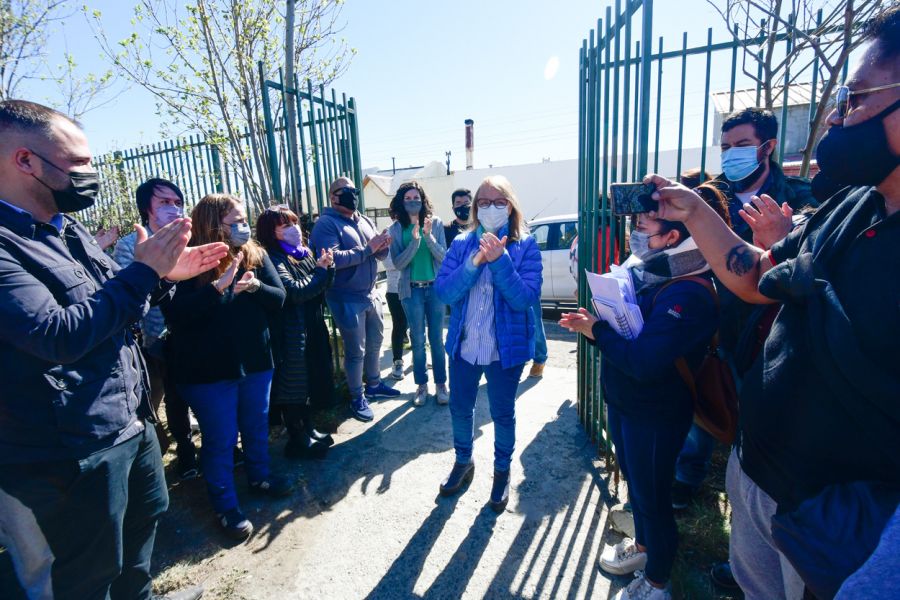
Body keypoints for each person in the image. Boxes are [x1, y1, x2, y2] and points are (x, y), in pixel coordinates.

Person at [642, 7, 900, 597]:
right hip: (757, 470)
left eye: (857, 100)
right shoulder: (850, 206)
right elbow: (758, 274)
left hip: (831, 520)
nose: (838, 118)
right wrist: (695, 210)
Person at [0, 99, 226, 600]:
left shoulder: (69, 229)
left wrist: (163, 279)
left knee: (136, 557)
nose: (91, 173)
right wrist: (145, 271)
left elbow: (118, 305)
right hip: (66, 456)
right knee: (84, 579)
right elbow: (57, 334)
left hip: (129, 424)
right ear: (25, 161)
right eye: (78, 163)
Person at [560, 186, 730, 600]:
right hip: (628, 403)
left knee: (653, 498)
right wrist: (600, 323)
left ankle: (657, 581)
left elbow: (644, 361)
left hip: (655, 413)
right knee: (639, 491)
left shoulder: (688, 290)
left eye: (643, 227)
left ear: (673, 237)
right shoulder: (656, 271)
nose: (634, 234)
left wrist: (595, 330)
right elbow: (636, 338)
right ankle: (644, 549)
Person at [162, 194, 291, 541]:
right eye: (234, 221)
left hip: (255, 363)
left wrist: (256, 286)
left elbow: (279, 300)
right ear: (211, 223)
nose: (242, 226)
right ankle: (225, 506)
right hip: (208, 372)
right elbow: (176, 316)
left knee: (255, 426)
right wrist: (217, 289)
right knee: (220, 439)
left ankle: (259, 476)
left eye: (243, 219)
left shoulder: (255, 253)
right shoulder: (188, 261)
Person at [435, 175, 542, 513]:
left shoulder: (526, 245)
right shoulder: (461, 245)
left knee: (502, 414)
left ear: (511, 205)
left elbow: (524, 298)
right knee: (460, 408)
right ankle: (463, 461)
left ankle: (501, 471)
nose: (491, 207)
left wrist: (499, 260)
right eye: (484, 202)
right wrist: (474, 263)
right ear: (476, 208)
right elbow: (444, 292)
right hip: (465, 348)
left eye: (499, 201)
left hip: (503, 351)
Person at [114, 178, 199, 480]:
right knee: (173, 397)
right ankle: (186, 455)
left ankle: (218, 446)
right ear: (145, 208)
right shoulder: (130, 245)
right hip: (157, 340)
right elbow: (131, 296)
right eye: (164, 202)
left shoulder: (190, 240)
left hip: (194, 332)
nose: (173, 208)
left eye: (177, 202)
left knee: (199, 392)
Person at [309, 177, 400, 423]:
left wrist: (381, 247)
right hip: (345, 297)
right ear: (333, 197)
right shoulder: (325, 225)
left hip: (370, 293)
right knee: (355, 351)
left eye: (354, 190)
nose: (353, 195)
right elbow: (333, 259)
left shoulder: (364, 219)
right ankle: (357, 397)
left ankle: (373, 384)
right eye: (346, 191)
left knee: (374, 343)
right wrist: (368, 249)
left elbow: (374, 253)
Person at [256, 206, 336, 459]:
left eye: (295, 223)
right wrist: (321, 271)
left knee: (307, 382)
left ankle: (309, 429)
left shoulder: (303, 253)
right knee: (293, 386)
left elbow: (320, 284)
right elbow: (294, 291)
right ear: (272, 232)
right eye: (286, 226)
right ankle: (297, 437)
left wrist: (326, 267)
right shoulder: (273, 257)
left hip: (310, 326)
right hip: (290, 331)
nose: (295, 229)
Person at [388, 182, 449, 406]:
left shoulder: (436, 223)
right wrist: (414, 241)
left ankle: (441, 384)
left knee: (436, 339)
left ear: (423, 199)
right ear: (401, 202)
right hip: (411, 290)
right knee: (417, 339)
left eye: (417, 197)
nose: (413, 201)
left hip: (435, 290)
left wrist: (428, 237)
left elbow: (444, 257)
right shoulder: (395, 229)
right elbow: (398, 263)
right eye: (408, 198)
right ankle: (421, 385)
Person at [382, 214, 409, 381]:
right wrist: (408, 256)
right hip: (394, 289)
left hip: (414, 286)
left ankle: (417, 356)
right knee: (399, 325)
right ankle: (397, 361)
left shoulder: (413, 230)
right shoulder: (387, 234)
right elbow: (388, 263)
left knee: (417, 324)